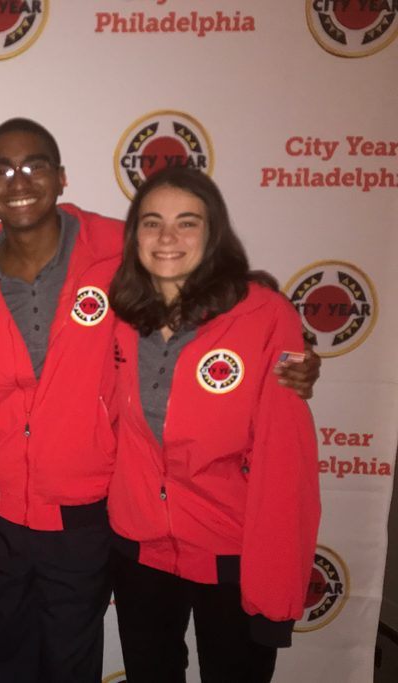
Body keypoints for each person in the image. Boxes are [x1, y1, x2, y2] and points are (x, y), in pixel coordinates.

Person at [0, 118, 321, 683]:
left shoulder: (112, 254)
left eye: (34, 165)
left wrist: (288, 344)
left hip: (91, 520)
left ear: (61, 177)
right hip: (18, 517)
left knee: (73, 662)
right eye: (1, 169)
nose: (18, 179)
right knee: (4, 658)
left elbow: (215, 301)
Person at [105, 167, 320, 682]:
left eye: (187, 223)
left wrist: (275, 597)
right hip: (140, 552)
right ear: (134, 233)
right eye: (152, 223)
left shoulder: (265, 316)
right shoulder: (117, 314)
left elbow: (285, 462)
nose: (167, 238)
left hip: (232, 552)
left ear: (213, 232)